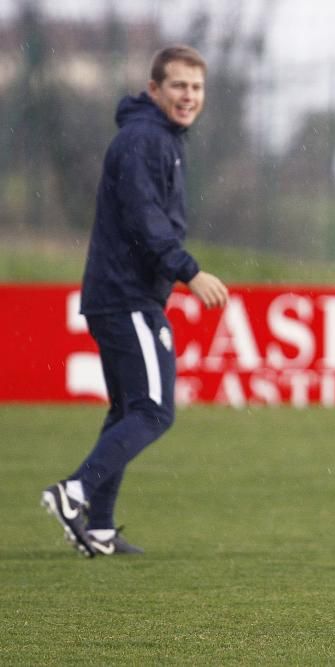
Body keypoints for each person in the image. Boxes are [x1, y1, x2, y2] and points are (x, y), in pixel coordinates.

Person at [41, 45, 229, 557]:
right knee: (153, 411)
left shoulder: (157, 138)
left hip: (118, 293)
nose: (189, 96)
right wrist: (188, 271)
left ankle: (98, 526)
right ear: (154, 90)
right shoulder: (144, 140)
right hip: (127, 296)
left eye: (196, 87)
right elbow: (146, 221)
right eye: (178, 86)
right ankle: (74, 493)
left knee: (127, 409)